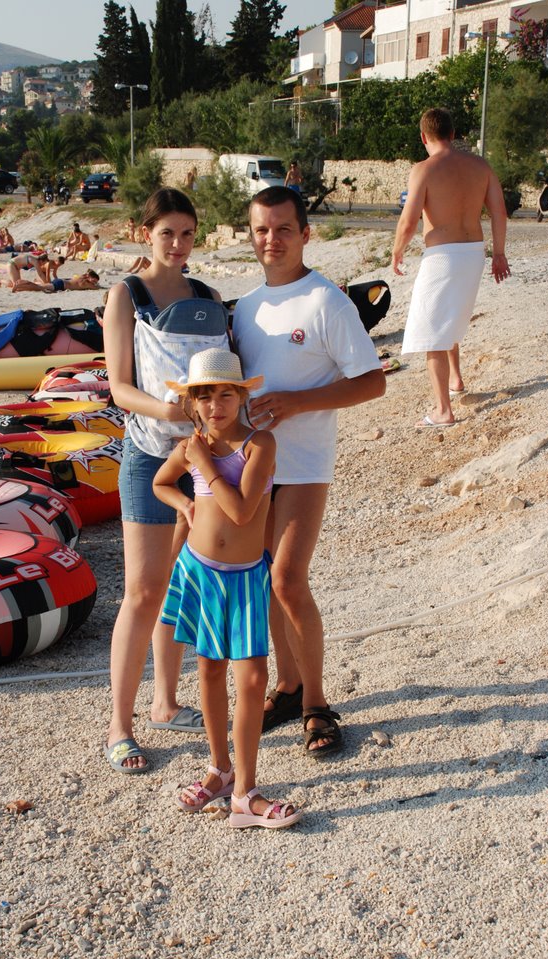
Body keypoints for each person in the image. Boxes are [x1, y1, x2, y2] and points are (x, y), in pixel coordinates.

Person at [232, 185, 386, 757]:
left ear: (305, 233)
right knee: (267, 580)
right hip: (251, 464)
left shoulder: (327, 301)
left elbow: (373, 381)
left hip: (303, 465)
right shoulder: (245, 307)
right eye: (261, 230)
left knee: (289, 580)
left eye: (283, 229)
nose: (272, 240)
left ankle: (319, 702)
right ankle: (290, 686)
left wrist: (297, 402)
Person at [102, 187, 231, 774]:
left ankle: (165, 702)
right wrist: (168, 411)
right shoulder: (126, 293)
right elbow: (118, 387)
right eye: (166, 234)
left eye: (186, 233)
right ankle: (119, 728)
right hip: (150, 456)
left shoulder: (208, 297)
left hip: (204, 460)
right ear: (144, 233)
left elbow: (224, 377)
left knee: (184, 587)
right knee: (143, 591)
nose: (178, 245)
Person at [153, 349, 302, 828]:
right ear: (192, 403)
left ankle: (245, 791)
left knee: (254, 679)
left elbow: (241, 512)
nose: (215, 405)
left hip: (245, 576)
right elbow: (161, 483)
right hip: (199, 571)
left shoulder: (260, 444)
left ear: (241, 395)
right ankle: (219, 769)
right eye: (204, 396)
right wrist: (185, 504)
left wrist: (203, 463)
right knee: (210, 673)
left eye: (225, 394)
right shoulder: (190, 445)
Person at [392, 107, 511, 427]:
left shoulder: (423, 169)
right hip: (474, 253)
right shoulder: (481, 166)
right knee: (451, 317)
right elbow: (499, 213)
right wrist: (498, 253)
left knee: (432, 331)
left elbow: (409, 218)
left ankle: (443, 410)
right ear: (453, 134)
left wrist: (397, 250)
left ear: (423, 137)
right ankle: (456, 379)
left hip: (442, 256)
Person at [11, 268, 101, 292]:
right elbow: (97, 288)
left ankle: (20, 287)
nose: (95, 282)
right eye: (95, 280)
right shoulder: (86, 283)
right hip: (60, 285)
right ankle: (20, 283)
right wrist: (97, 285)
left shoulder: (82, 277)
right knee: (38, 287)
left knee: (39, 287)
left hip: (60, 281)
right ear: (91, 277)